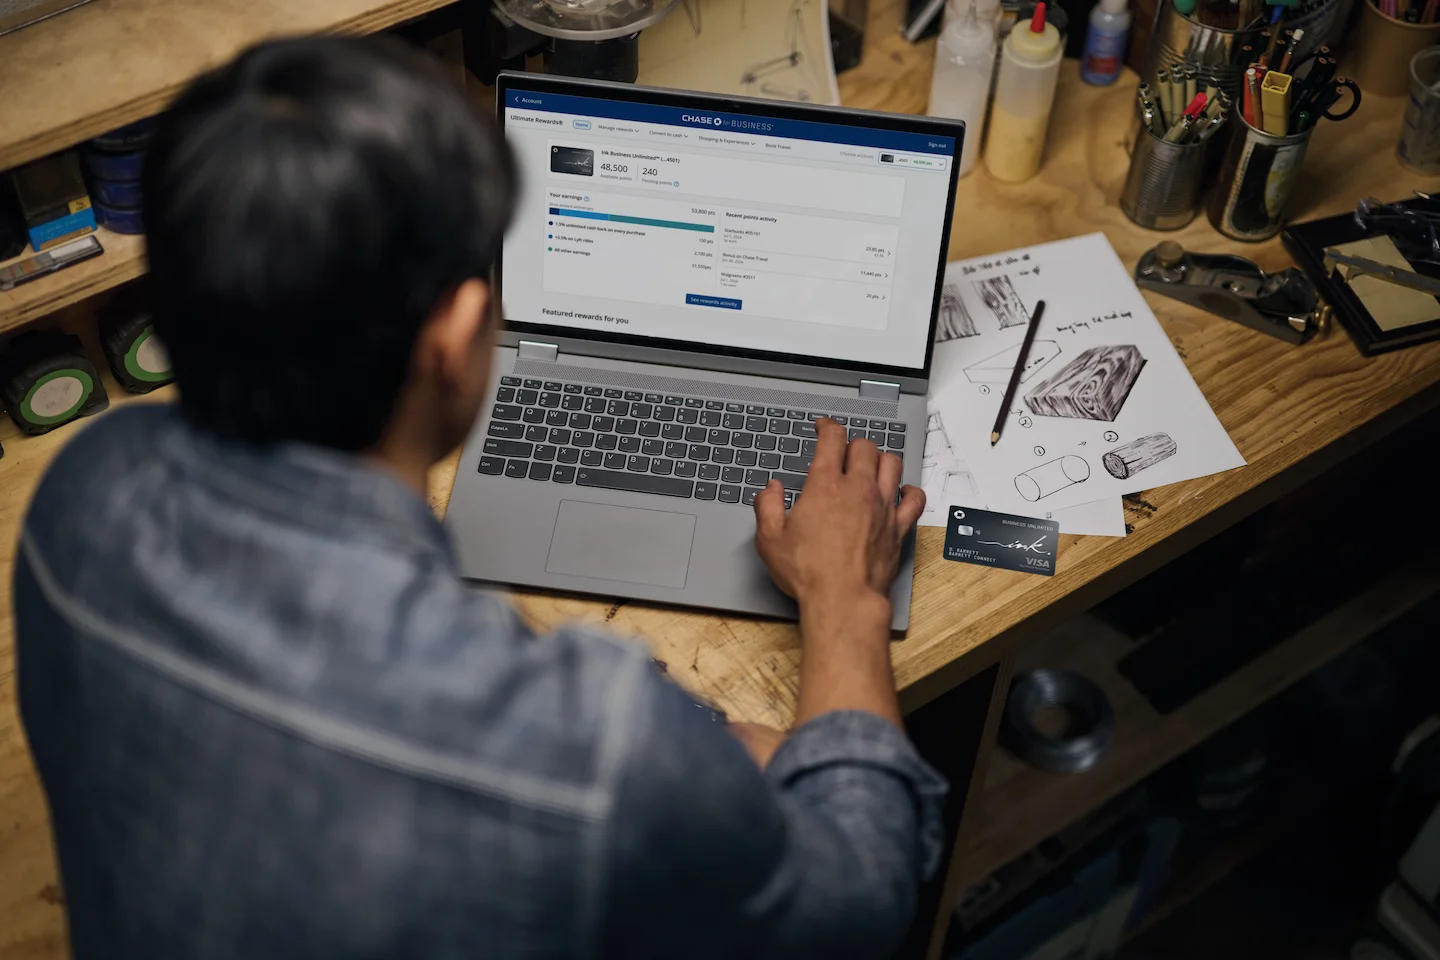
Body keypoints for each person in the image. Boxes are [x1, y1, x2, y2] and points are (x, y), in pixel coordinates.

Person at [13, 36, 944, 959]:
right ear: (457, 338)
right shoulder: (591, 751)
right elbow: (858, 901)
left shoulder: (81, 500)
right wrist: (843, 599)